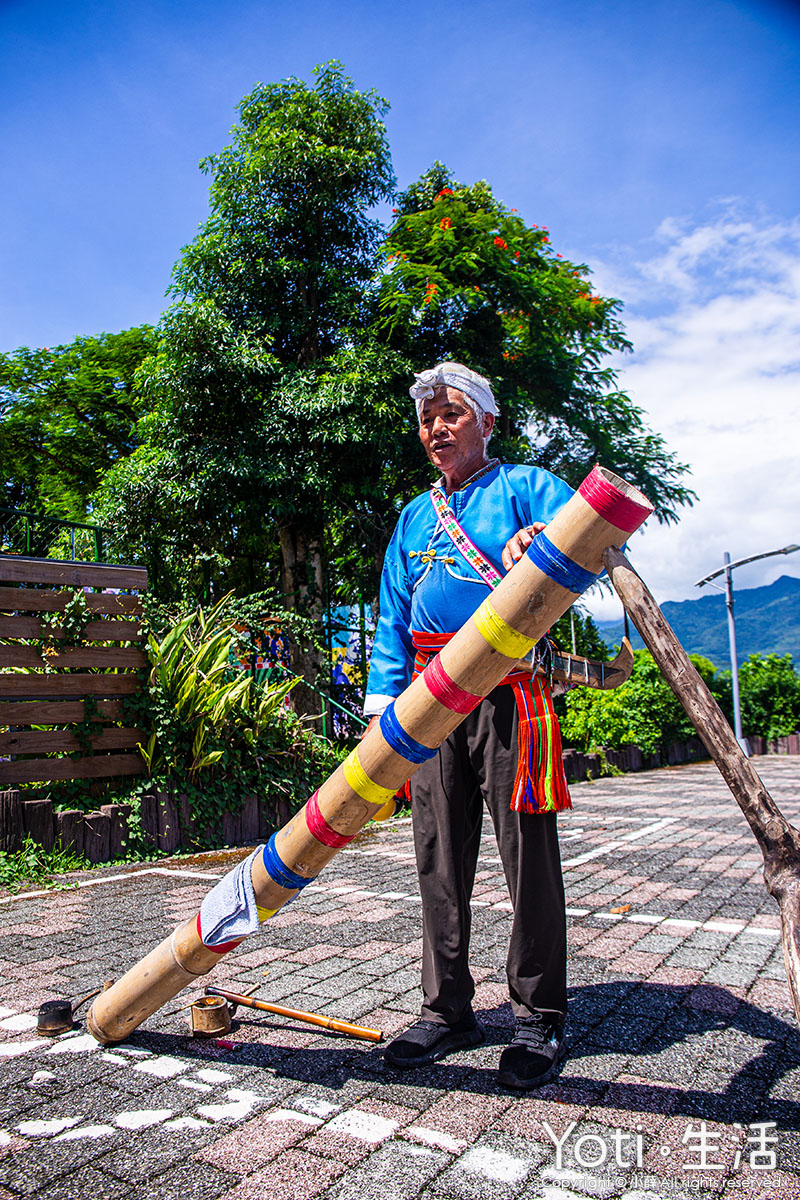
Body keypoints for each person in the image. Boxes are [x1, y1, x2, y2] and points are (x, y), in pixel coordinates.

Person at [363, 362, 575, 1090]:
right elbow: (391, 616)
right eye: (428, 419)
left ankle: (539, 1015)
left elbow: (587, 539)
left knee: (528, 858)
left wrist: (540, 548)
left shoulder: (525, 487)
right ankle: (447, 1009)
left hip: (510, 696)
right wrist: (379, 708)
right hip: (428, 703)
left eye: (452, 414)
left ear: (488, 421)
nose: (436, 428)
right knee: (437, 859)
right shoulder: (413, 517)